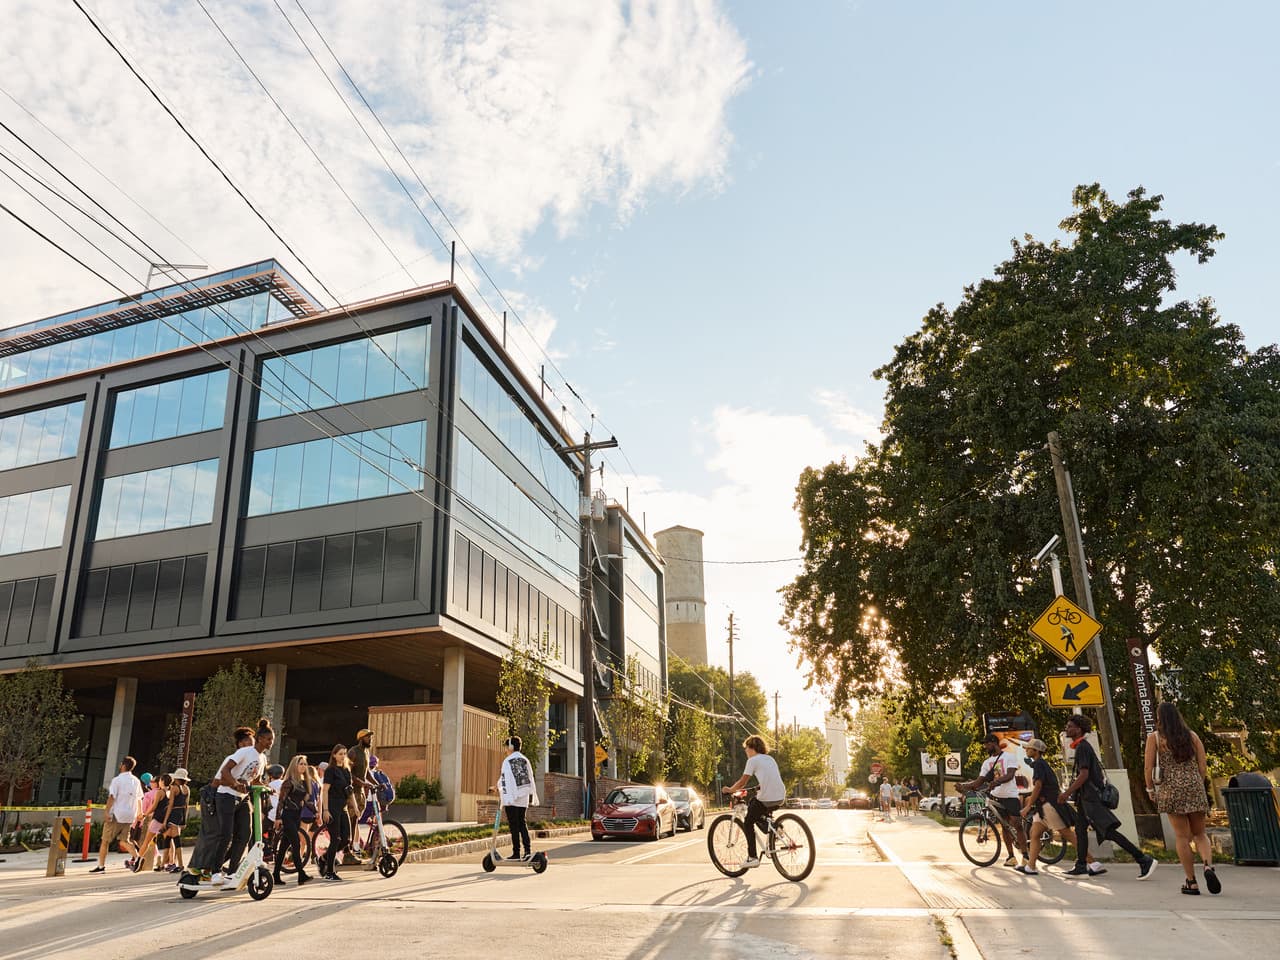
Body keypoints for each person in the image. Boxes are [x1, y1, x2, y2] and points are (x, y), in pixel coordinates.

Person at [1061, 714, 1156, 880]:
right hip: (1085, 800)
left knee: (1109, 832)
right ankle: (1081, 866)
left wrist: (1066, 793)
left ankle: (1143, 859)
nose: (1067, 729)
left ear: (1079, 729)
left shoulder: (1083, 747)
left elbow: (1084, 775)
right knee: (1081, 830)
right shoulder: (1081, 747)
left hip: (1091, 799)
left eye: (1070, 726)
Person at [1145, 702, 1218, 895]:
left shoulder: (1155, 738)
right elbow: (1202, 765)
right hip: (1194, 786)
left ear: (1160, 718)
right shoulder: (1192, 736)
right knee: (1200, 834)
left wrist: (1150, 789)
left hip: (1170, 789)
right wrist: (1196, 784)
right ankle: (1208, 866)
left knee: (1182, 837)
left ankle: (1191, 882)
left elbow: (1148, 767)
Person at [1019, 739, 1103, 877]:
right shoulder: (1040, 764)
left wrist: (1028, 806)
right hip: (1043, 807)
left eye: (1029, 748)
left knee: (1067, 834)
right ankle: (1031, 866)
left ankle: (1093, 863)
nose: (1026, 750)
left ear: (1036, 751)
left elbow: (1038, 786)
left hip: (1049, 806)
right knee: (1034, 833)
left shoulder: (1039, 764)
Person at [210, 719, 273, 886]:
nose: (270, 742)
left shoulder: (263, 758)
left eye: (272, 740)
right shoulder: (245, 752)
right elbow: (225, 770)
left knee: (245, 834)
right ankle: (215, 871)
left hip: (242, 798)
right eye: (268, 739)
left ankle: (231, 872)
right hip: (226, 796)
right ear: (260, 739)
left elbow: (256, 779)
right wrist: (234, 783)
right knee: (226, 834)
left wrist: (267, 787)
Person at [959, 733, 1027, 868]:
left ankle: (1025, 855)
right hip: (996, 796)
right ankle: (1011, 857)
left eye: (986, 744)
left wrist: (997, 781)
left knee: (1016, 824)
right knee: (1005, 827)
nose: (985, 747)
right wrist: (964, 786)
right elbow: (979, 781)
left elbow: (1010, 775)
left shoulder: (1009, 757)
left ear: (993, 743)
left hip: (1011, 796)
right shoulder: (986, 763)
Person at [721, 735, 786, 869]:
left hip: (767, 797)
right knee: (753, 805)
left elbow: (743, 781)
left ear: (752, 748)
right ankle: (776, 828)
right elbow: (771, 778)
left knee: (748, 821)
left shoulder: (753, 760)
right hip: (780, 796)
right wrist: (759, 786)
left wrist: (730, 789)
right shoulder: (770, 759)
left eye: (746, 749)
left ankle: (752, 857)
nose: (745, 752)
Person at [91, 756, 143, 872]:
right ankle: (138, 857)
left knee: (105, 840)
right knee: (124, 840)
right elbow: (139, 798)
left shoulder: (117, 780)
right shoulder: (136, 781)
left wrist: (107, 811)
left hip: (117, 814)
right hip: (130, 815)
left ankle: (101, 866)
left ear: (123, 766)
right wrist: (140, 812)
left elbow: (112, 797)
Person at [273, 755, 315, 887]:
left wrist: (316, 812)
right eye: (300, 764)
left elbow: (305, 801)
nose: (303, 766)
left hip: (297, 817)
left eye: (304, 764)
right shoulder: (289, 782)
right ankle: (301, 874)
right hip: (288, 816)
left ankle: (275, 875)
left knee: (284, 847)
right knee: (296, 844)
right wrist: (278, 818)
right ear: (294, 766)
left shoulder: (303, 782)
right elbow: (281, 801)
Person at [496, 736, 539, 862]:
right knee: (522, 824)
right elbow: (530, 777)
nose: (505, 749)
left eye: (506, 747)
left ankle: (516, 853)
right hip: (523, 797)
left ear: (510, 747)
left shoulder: (507, 761)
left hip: (512, 798)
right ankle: (527, 851)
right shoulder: (525, 760)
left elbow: (505, 779)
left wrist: (499, 790)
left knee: (513, 825)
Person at [320, 744, 354, 882]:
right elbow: (325, 790)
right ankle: (330, 872)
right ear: (334, 755)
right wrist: (325, 810)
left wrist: (355, 807)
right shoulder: (330, 770)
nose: (343, 756)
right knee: (336, 839)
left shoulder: (346, 770)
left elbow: (349, 791)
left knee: (346, 839)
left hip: (343, 806)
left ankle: (324, 857)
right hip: (332, 806)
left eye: (344, 753)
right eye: (340, 753)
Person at [135, 773, 172, 872]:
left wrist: (144, 814)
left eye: (160, 780)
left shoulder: (159, 792)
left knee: (147, 841)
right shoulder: (170, 792)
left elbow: (154, 806)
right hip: (166, 820)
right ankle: (168, 863)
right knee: (168, 842)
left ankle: (138, 859)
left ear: (162, 782)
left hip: (157, 819)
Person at [347, 729, 374, 862]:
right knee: (352, 820)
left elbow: (367, 772)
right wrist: (362, 783)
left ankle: (351, 849)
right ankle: (349, 850)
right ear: (361, 738)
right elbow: (348, 772)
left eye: (370, 737)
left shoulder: (366, 752)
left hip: (361, 792)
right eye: (368, 737)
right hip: (353, 792)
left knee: (356, 821)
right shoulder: (353, 752)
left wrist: (377, 784)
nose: (370, 739)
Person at [161, 768, 190, 874]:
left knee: (175, 841)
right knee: (169, 838)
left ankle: (180, 864)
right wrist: (184, 821)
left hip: (173, 814)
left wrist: (165, 820)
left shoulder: (174, 788)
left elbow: (170, 805)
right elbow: (186, 805)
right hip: (181, 814)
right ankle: (164, 863)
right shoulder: (187, 789)